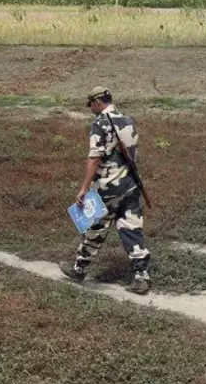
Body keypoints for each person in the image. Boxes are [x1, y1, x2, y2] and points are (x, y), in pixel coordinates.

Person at [59, 86, 152, 294]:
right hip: (130, 186)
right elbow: (132, 154)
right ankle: (141, 276)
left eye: (91, 104)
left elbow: (94, 158)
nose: (91, 108)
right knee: (132, 229)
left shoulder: (100, 123)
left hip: (107, 188)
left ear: (98, 102)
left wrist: (84, 188)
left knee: (94, 229)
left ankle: (79, 269)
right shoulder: (128, 121)